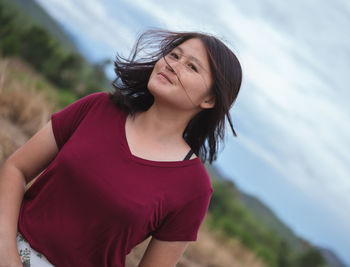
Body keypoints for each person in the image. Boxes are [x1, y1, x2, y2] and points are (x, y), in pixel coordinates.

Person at [0, 29, 242, 267]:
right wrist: (7, 253)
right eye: (174, 55)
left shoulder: (194, 187)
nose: (172, 65)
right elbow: (16, 168)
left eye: (192, 67)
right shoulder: (96, 108)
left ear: (209, 100)